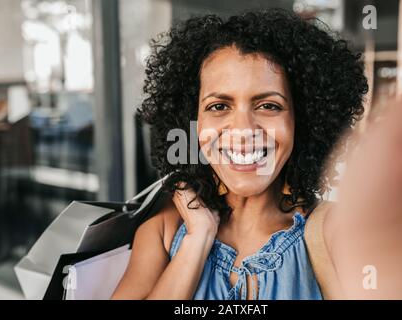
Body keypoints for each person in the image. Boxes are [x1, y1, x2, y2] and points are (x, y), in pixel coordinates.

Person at [112, 8, 368, 300]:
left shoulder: (335, 233)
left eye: (268, 105)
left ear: (303, 120)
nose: (243, 130)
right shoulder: (164, 232)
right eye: (219, 106)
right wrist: (197, 240)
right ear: (191, 121)